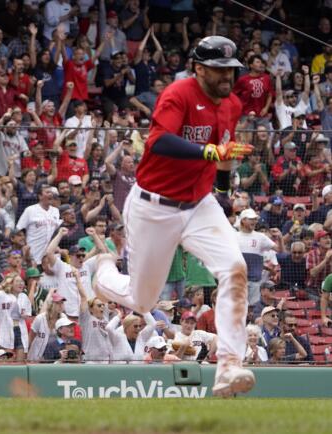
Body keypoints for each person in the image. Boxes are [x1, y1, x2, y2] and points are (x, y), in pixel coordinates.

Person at [94, 36, 255, 397]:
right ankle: (102, 272)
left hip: (199, 203)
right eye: (219, 69)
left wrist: (226, 191)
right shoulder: (179, 94)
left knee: (235, 269)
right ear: (199, 69)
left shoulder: (230, 104)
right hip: (155, 205)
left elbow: (224, 154)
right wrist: (210, 151)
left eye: (231, 69)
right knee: (143, 301)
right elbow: (159, 141)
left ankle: (230, 364)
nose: (227, 76)